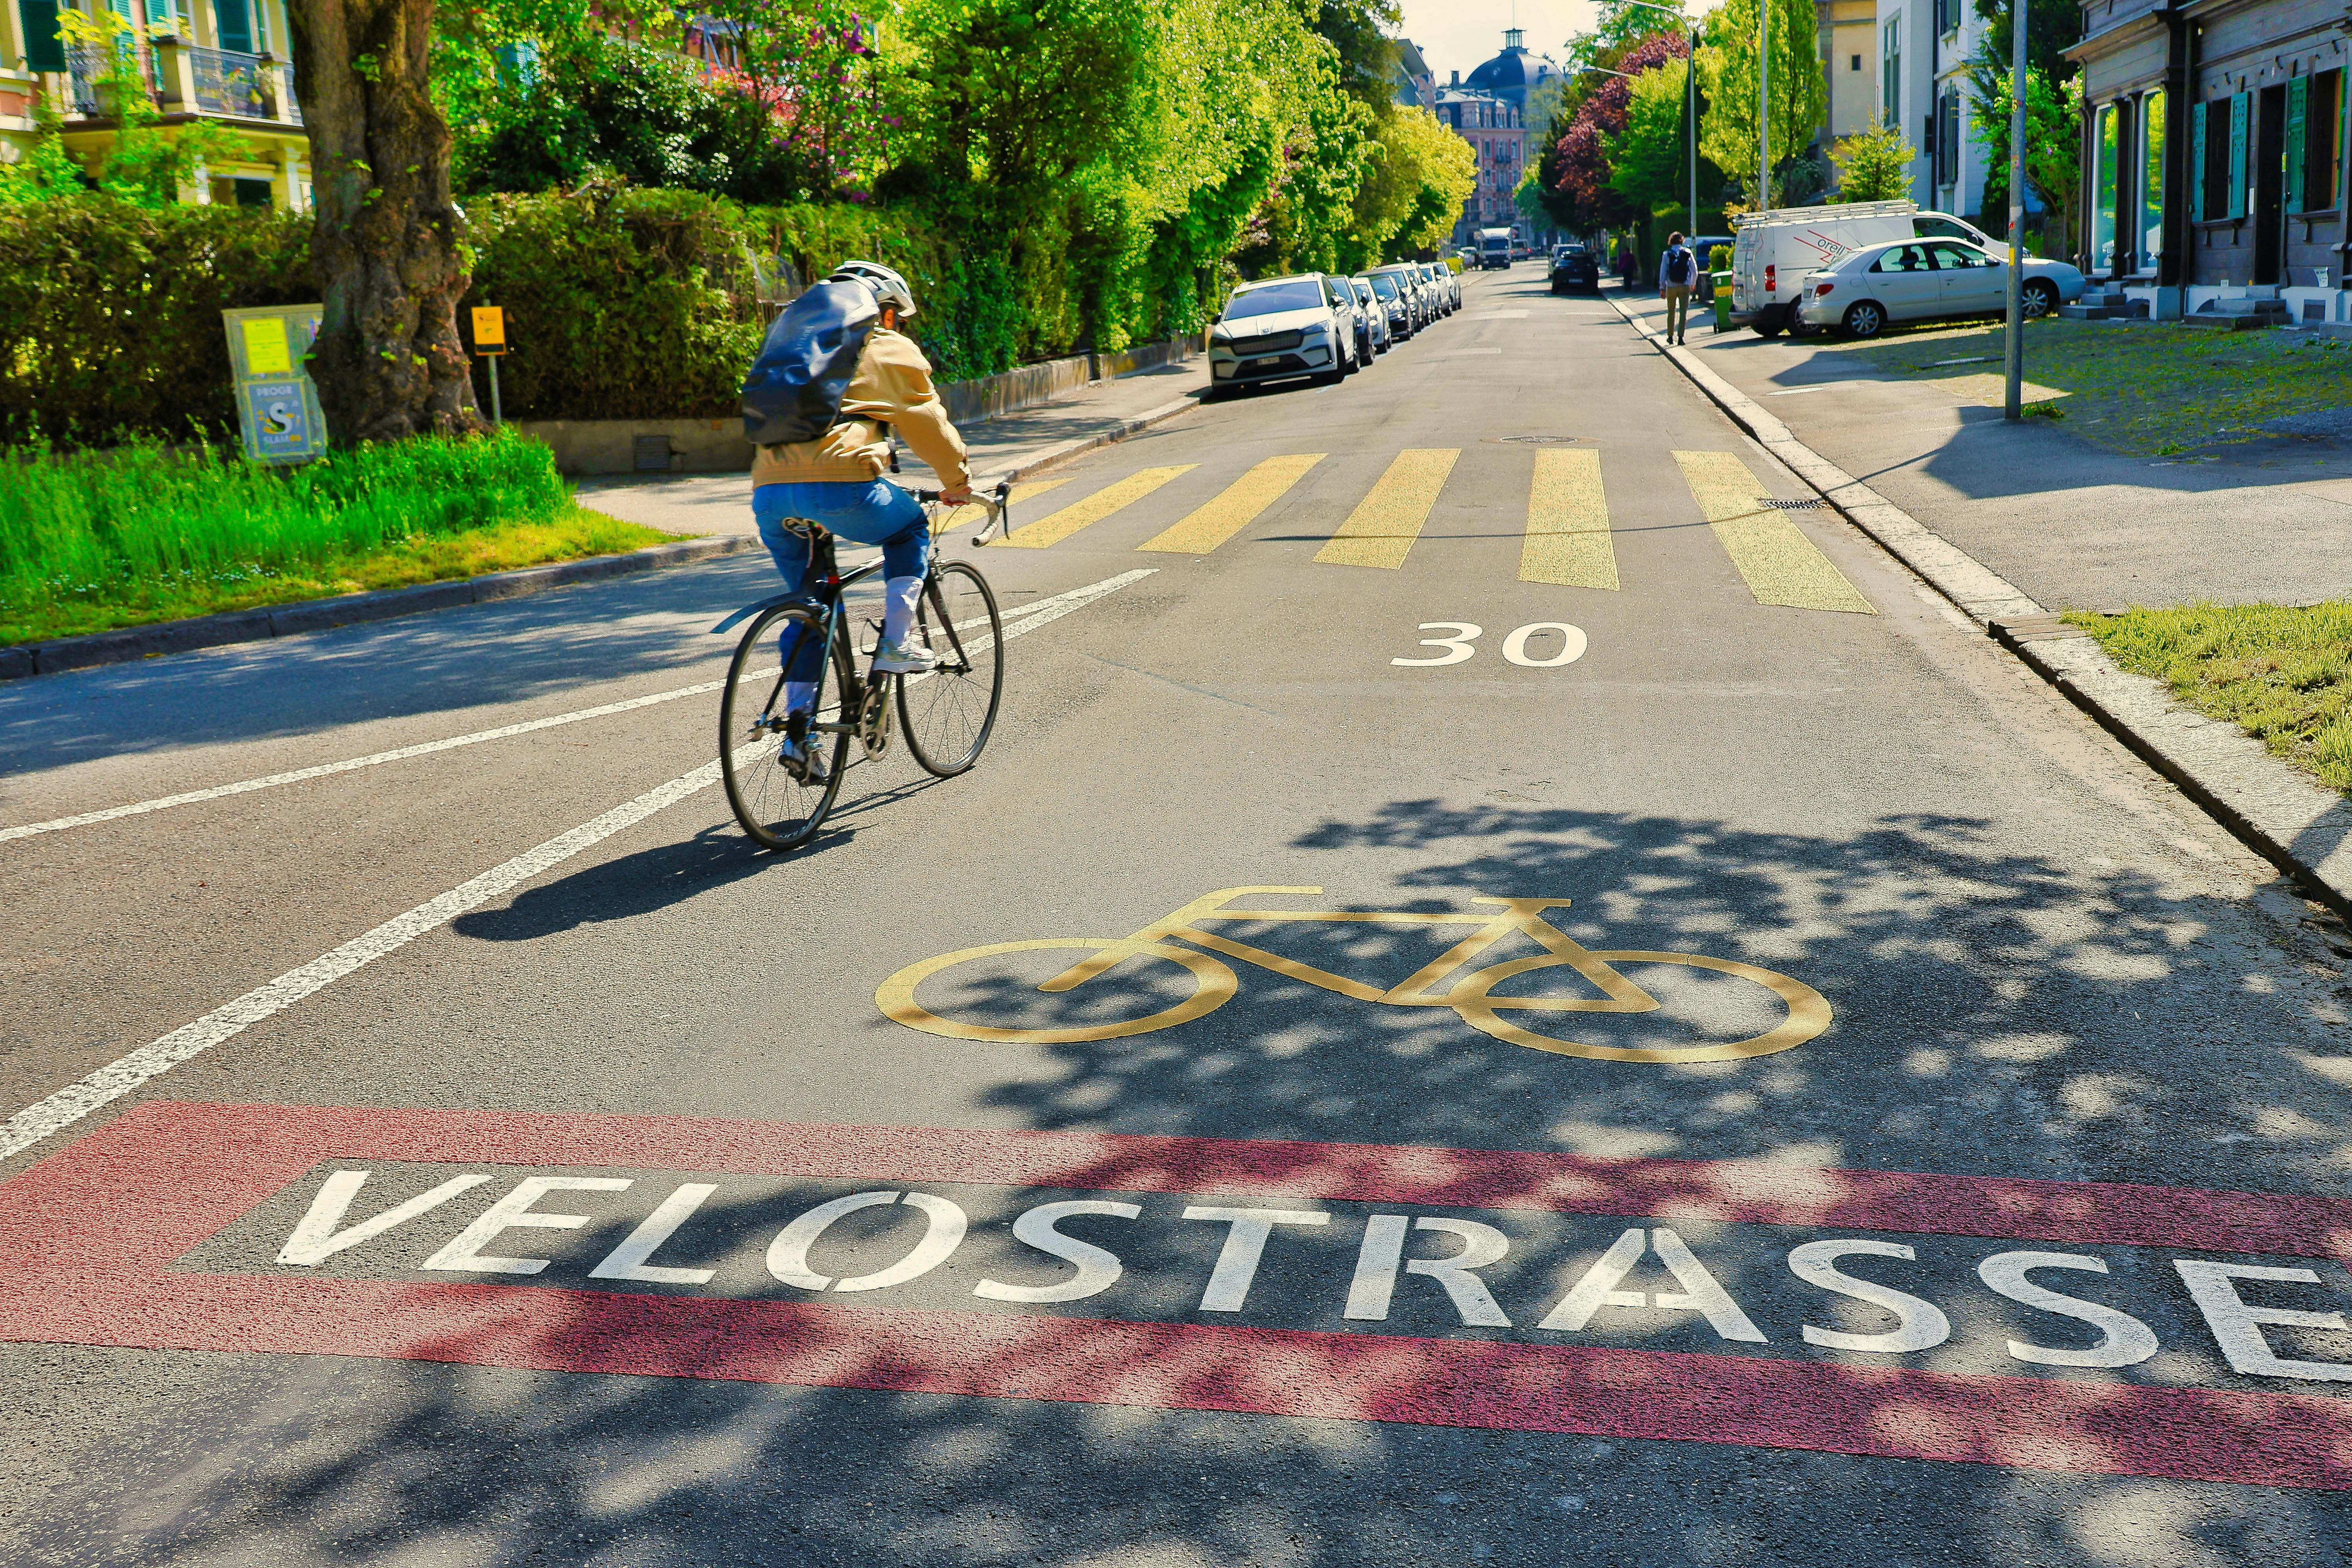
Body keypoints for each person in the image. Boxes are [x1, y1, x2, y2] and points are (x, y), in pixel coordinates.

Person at [751, 260, 971, 781]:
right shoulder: (886, 345)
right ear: (885, 311)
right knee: (910, 527)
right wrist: (957, 481)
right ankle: (900, 640)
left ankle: (801, 733)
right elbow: (927, 424)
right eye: (897, 316)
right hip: (843, 484)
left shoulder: (793, 342)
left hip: (770, 493)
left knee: (813, 604)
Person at [1658, 231, 1696, 345]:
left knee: (1671, 311)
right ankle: (1681, 338)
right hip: (1685, 285)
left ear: (1671, 241)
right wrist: (1693, 283)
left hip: (1671, 286)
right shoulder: (1688, 252)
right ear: (1682, 241)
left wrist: (1662, 288)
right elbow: (1694, 270)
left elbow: (1663, 272)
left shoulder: (1666, 254)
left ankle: (1670, 337)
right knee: (1684, 311)